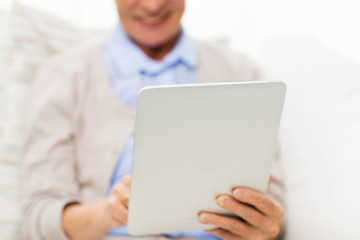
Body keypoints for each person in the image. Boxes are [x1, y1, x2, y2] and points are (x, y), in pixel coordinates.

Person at [21, 0, 284, 239]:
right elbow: (37, 218)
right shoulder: (64, 76)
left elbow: (278, 213)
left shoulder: (242, 72)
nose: (153, 5)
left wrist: (265, 226)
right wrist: (107, 213)